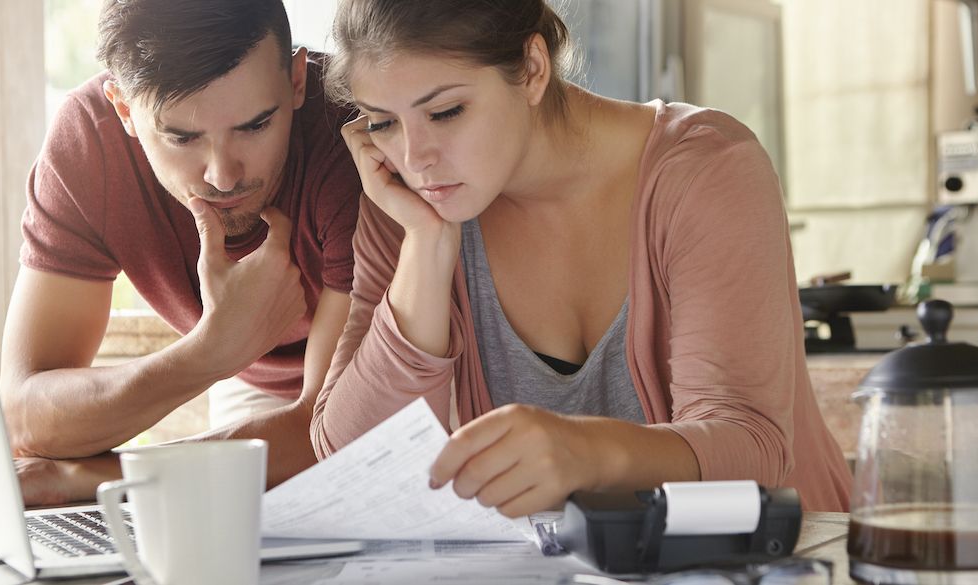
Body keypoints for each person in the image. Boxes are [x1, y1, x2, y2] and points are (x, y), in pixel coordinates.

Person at [310, 0, 852, 514]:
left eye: (446, 112)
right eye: (382, 122)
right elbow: (353, 463)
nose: (414, 156)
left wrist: (585, 453)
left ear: (531, 68)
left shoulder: (707, 172)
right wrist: (426, 247)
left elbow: (751, 448)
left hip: (783, 561)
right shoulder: (405, 204)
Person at [1, 0, 361, 505]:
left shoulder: (352, 134)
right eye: (182, 137)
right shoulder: (89, 144)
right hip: (248, 385)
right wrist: (213, 350)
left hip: (387, 389)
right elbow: (26, 419)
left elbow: (329, 434)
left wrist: (95, 480)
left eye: (255, 125)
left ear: (297, 80)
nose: (223, 175)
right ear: (124, 109)